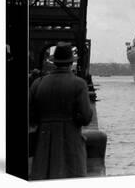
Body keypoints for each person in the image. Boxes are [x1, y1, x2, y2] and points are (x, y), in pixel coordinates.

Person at [29, 42, 93, 180]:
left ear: (54, 62)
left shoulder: (37, 83)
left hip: (43, 142)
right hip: (70, 140)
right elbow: (86, 117)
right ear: (71, 63)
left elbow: (31, 115)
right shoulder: (79, 84)